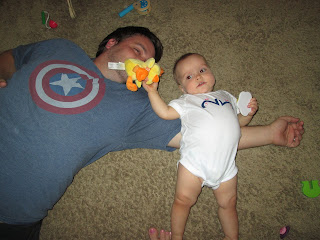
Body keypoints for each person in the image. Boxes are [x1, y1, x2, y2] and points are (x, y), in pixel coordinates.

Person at [0, 26, 304, 240]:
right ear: (111, 43)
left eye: (149, 60)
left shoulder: (134, 107)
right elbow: (7, 61)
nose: (144, 61)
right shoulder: (60, 47)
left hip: (10, 215)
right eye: (138, 50)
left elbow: (204, 134)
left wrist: (270, 133)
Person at [143, 52, 258, 240]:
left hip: (226, 167)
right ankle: (177, 236)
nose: (198, 76)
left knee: (229, 203)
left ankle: (232, 236)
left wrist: (249, 113)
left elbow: (238, 124)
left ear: (212, 73)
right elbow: (164, 112)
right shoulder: (186, 102)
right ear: (182, 88)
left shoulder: (226, 96)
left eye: (202, 70)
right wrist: (152, 92)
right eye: (189, 76)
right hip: (194, 166)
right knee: (183, 201)